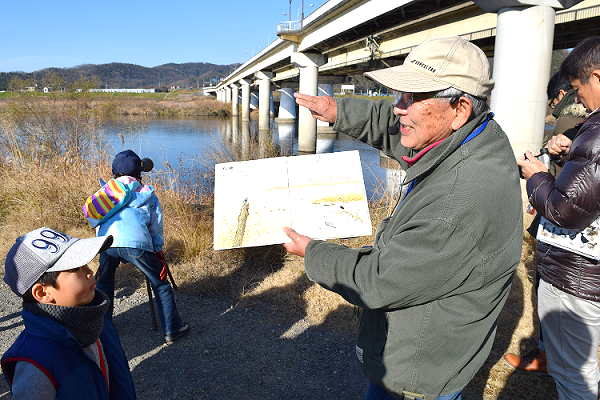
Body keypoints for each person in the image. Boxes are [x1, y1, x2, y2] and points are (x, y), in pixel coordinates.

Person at [284, 35, 523, 400]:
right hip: (420, 347)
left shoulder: (458, 205)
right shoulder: (473, 134)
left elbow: (377, 280)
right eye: (399, 96)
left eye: (412, 98)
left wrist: (312, 251)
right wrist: (337, 111)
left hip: (417, 374)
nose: (398, 108)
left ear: (459, 108)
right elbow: (392, 126)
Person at [516, 35, 600, 400]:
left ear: (598, 76)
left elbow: (565, 210)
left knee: (574, 377)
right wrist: (571, 154)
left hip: (577, 276)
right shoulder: (590, 131)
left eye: (579, 89)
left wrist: (536, 175)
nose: (577, 99)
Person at [503, 70, 587, 375]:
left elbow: (567, 183)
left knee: (549, 283)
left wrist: (536, 178)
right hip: (579, 229)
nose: (554, 110)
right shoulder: (589, 119)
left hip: (560, 221)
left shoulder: (570, 120)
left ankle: (546, 352)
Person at [1, 227, 136, 399]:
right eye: (76, 268)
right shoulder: (36, 364)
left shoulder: (93, 320)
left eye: (85, 264)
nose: (89, 272)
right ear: (43, 293)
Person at [95, 150, 189, 344]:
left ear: (115, 171)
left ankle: (103, 329)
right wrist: (157, 251)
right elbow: (155, 226)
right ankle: (172, 330)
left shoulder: (105, 192)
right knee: (160, 284)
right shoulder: (146, 193)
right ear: (139, 172)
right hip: (136, 244)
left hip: (107, 243)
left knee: (103, 284)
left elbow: (96, 222)